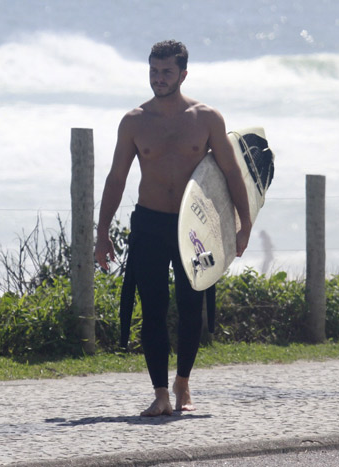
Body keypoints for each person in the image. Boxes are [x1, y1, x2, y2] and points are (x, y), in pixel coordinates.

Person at [95, 40, 252, 417]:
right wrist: (102, 233)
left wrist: (243, 224)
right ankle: (160, 392)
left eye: (166, 72)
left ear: (183, 74)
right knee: (152, 308)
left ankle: (183, 380)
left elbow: (231, 172)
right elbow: (116, 178)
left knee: (189, 304)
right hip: (149, 223)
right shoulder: (134, 121)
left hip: (194, 226)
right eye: (153, 70)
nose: (158, 78)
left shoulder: (207, 118)